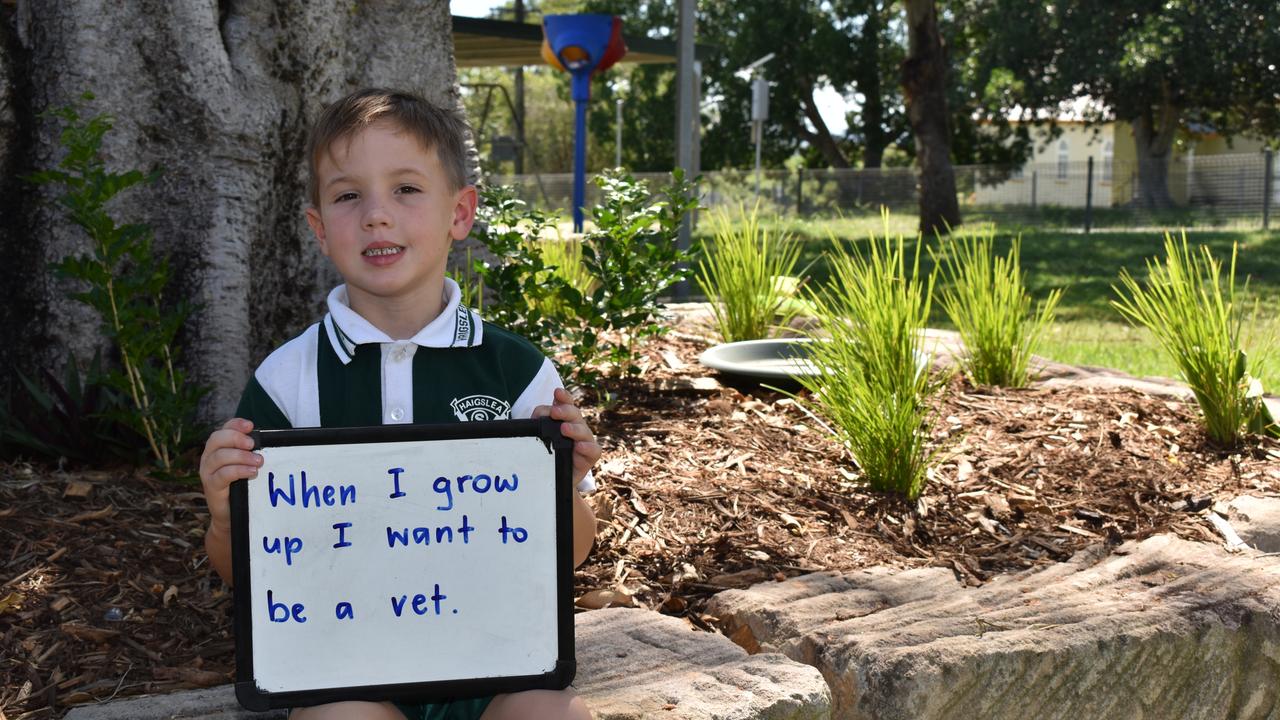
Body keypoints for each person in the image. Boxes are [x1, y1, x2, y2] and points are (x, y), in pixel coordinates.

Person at [199, 88, 600, 720]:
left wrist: (563, 488)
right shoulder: (287, 381)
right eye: (348, 195)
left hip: (494, 664)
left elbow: (570, 552)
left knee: (556, 715)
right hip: (346, 669)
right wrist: (226, 520)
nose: (376, 215)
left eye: (407, 189)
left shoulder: (518, 373)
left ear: (460, 214)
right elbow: (243, 572)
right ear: (318, 228)